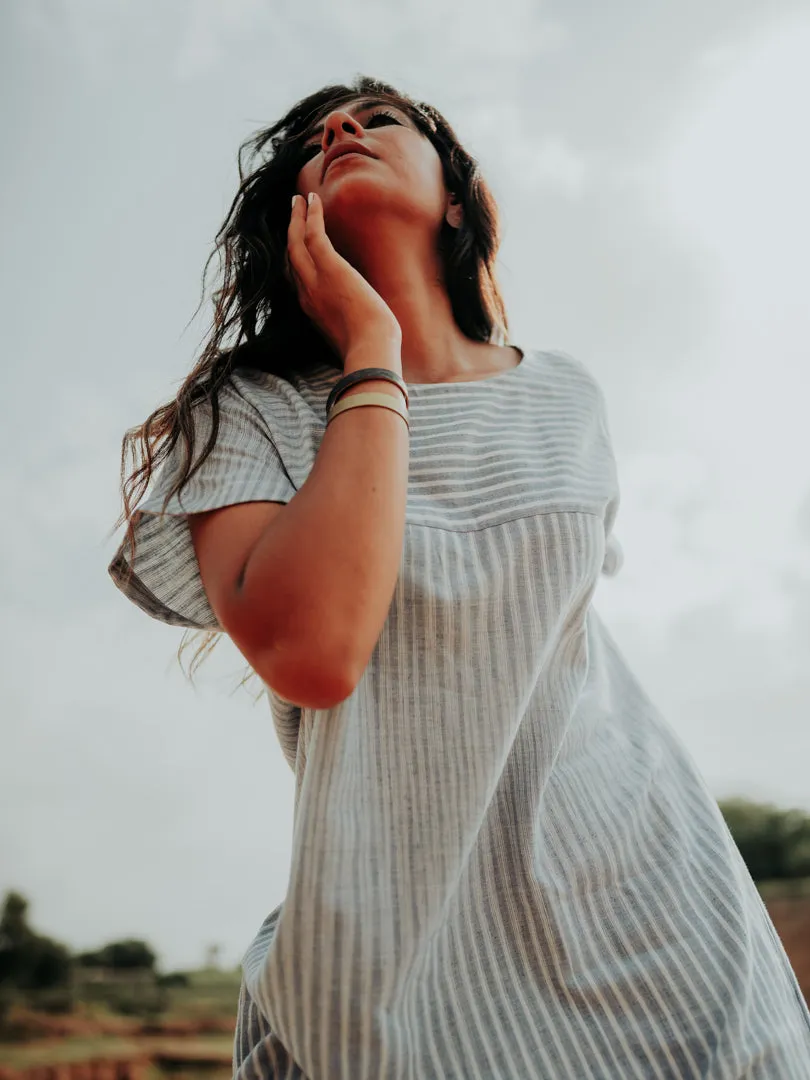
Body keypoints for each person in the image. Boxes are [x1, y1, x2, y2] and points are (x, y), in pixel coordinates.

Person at [108, 75, 810, 1080]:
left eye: (378, 121)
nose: (343, 131)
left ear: (455, 197)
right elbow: (314, 652)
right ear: (293, 210)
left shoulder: (565, 394)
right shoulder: (251, 412)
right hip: (398, 972)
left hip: (665, 921)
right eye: (312, 142)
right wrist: (372, 352)